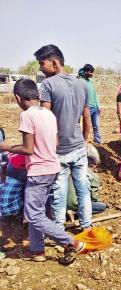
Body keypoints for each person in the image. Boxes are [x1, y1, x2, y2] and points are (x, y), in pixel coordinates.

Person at [0, 78, 85, 264]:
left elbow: (28, 149)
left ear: (17, 97)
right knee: (36, 211)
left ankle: (71, 242)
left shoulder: (27, 115)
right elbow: (54, 143)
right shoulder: (48, 114)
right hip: (52, 167)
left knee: (33, 214)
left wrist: (6, 147)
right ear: (37, 95)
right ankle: (37, 251)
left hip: (39, 170)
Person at [35, 44, 93, 231]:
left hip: (58, 151)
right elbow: (86, 118)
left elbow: (44, 119)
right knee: (83, 188)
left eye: (41, 63)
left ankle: (59, 231)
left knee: (59, 192)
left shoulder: (48, 84)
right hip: (78, 147)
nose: (40, 68)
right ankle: (87, 226)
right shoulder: (82, 84)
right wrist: (84, 140)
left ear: (53, 62)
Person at [67, 145, 106, 219]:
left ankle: (67, 210)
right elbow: (94, 197)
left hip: (64, 204)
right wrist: (99, 201)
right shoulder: (93, 176)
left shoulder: (71, 170)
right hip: (76, 204)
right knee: (102, 206)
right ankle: (75, 212)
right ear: (94, 165)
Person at [79, 64, 102, 144]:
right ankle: (83, 141)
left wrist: (98, 106)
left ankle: (98, 141)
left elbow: (95, 94)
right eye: (91, 72)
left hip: (95, 107)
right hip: (87, 108)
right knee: (86, 126)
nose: (92, 74)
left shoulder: (91, 81)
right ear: (86, 72)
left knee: (96, 125)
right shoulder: (81, 82)